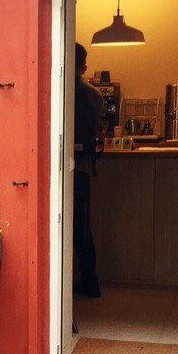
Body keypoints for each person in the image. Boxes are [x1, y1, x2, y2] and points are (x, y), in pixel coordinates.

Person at [73, 42, 103, 298]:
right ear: (84, 67)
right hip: (82, 166)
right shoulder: (93, 95)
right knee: (81, 226)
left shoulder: (56, 89)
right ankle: (89, 279)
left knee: (67, 225)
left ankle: (85, 281)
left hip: (62, 166)